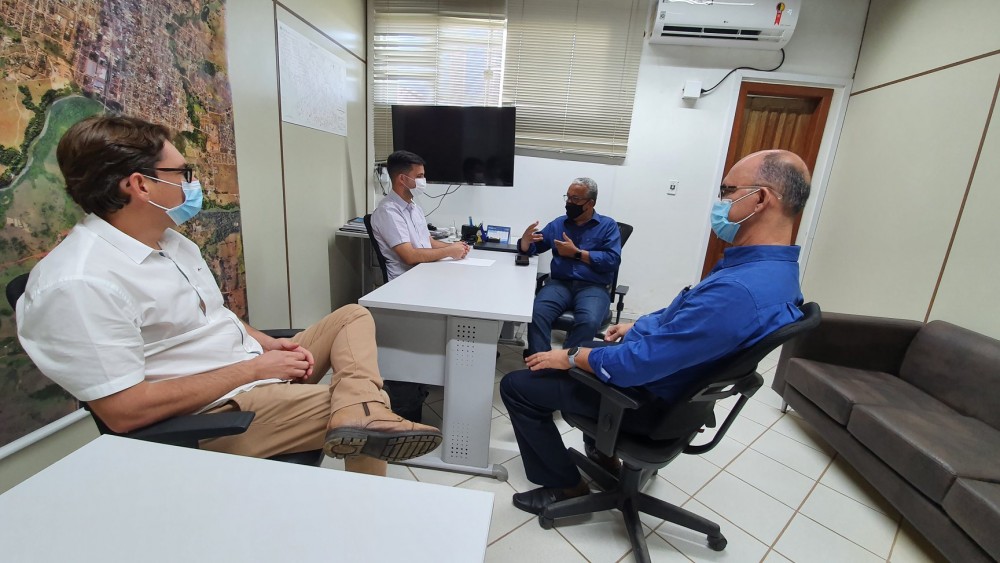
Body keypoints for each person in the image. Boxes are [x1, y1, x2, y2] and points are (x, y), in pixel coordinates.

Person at [15, 115, 442, 477]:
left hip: (249, 370)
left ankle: (360, 407)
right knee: (363, 414)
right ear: (140, 185)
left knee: (352, 315)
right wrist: (253, 368)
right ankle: (365, 475)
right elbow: (124, 411)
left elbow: (212, 315)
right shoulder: (80, 283)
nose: (192, 184)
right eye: (182, 174)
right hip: (211, 413)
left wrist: (266, 343)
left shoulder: (171, 242)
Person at [500, 150, 811, 514]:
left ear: (760, 199)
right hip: (676, 394)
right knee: (583, 343)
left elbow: (635, 365)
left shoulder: (737, 291)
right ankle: (603, 454)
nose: (720, 202)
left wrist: (571, 356)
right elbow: (690, 318)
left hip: (644, 400)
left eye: (727, 191)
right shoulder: (775, 274)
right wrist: (639, 326)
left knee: (518, 386)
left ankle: (564, 486)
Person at [370, 149, 470, 422]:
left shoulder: (413, 207)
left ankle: (440, 366)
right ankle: (413, 383)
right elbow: (410, 256)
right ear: (402, 179)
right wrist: (448, 252)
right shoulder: (388, 212)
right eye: (420, 176)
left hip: (424, 276)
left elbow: (426, 242)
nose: (424, 181)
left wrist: (453, 247)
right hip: (405, 285)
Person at [518, 178, 621, 357]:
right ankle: (541, 362)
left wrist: (577, 254)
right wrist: (525, 242)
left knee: (589, 321)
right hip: (559, 284)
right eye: (568, 197)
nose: (569, 203)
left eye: (575, 199)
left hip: (593, 287)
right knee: (536, 313)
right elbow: (536, 246)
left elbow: (612, 260)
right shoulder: (558, 224)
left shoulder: (607, 226)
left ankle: (566, 364)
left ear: (590, 203)